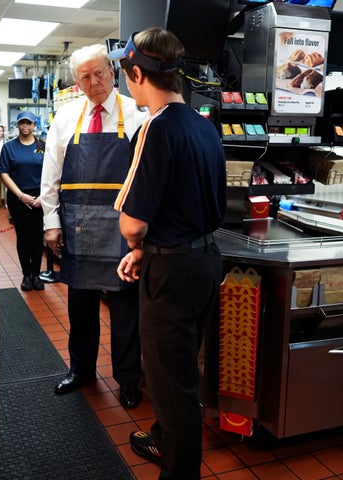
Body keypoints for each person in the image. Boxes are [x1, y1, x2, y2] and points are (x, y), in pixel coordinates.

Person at [110, 28, 226, 479]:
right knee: (181, 368)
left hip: (172, 272)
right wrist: (149, 249)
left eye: (126, 75)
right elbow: (188, 203)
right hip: (202, 261)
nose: (127, 84)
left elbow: (133, 222)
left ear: (138, 73)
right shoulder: (203, 125)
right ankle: (161, 436)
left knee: (168, 383)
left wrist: (138, 245)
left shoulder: (155, 128)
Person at [40, 43, 148, 409]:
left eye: (99, 73)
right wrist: (50, 223)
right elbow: (50, 175)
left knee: (125, 314)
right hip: (78, 229)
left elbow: (146, 179)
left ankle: (128, 379)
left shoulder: (137, 114)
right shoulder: (66, 117)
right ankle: (81, 369)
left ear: (112, 73)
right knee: (80, 309)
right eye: (85, 77)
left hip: (122, 232)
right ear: (77, 83)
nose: (94, 81)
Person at [0, 111, 46, 291]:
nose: (25, 126)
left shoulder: (43, 145)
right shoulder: (9, 147)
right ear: (17, 125)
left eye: (29, 123)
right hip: (18, 197)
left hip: (39, 197)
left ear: (35, 125)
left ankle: (36, 274)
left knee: (37, 236)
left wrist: (44, 196)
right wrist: (20, 195)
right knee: (23, 236)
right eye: (22, 123)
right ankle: (26, 274)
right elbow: (4, 173)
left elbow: (51, 171)